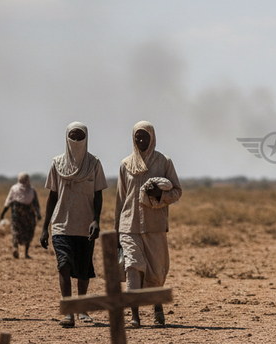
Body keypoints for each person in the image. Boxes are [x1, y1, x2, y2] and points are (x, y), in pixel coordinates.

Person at [40, 122, 108, 328]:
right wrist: (44, 227)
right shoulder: (57, 163)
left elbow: (98, 195)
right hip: (61, 225)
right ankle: (68, 311)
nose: (76, 141)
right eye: (72, 136)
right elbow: (52, 196)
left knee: (83, 270)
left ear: (86, 138)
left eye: (80, 137)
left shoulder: (94, 164)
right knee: (63, 266)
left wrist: (96, 219)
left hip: (85, 225)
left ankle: (82, 309)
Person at [115, 121, 182, 328]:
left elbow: (177, 191)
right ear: (133, 139)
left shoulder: (164, 162)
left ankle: (157, 308)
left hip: (155, 225)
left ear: (152, 137)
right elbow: (120, 199)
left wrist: (159, 194)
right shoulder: (126, 164)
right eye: (138, 137)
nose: (141, 140)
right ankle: (134, 316)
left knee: (156, 271)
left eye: (145, 137)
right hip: (129, 225)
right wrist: (117, 230)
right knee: (132, 266)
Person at [0, 172, 41, 259]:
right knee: (29, 231)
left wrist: (3, 213)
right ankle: (26, 253)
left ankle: (15, 247)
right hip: (28, 216)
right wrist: (38, 214)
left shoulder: (14, 188)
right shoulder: (31, 190)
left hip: (17, 215)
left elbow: (8, 201)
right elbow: (36, 204)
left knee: (15, 230)